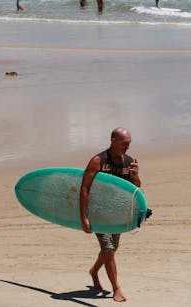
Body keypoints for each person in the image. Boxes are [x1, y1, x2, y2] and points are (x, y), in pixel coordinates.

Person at [80, 128, 141, 302]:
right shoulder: (98, 161)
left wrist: (135, 176)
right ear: (113, 141)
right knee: (108, 249)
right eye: (124, 143)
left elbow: (135, 188)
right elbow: (84, 189)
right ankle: (116, 288)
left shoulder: (129, 162)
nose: (128, 147)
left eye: (129, 143)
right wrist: (83, 216)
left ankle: (93, 271)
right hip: (98, 212)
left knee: (112, 249)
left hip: (116, 213)